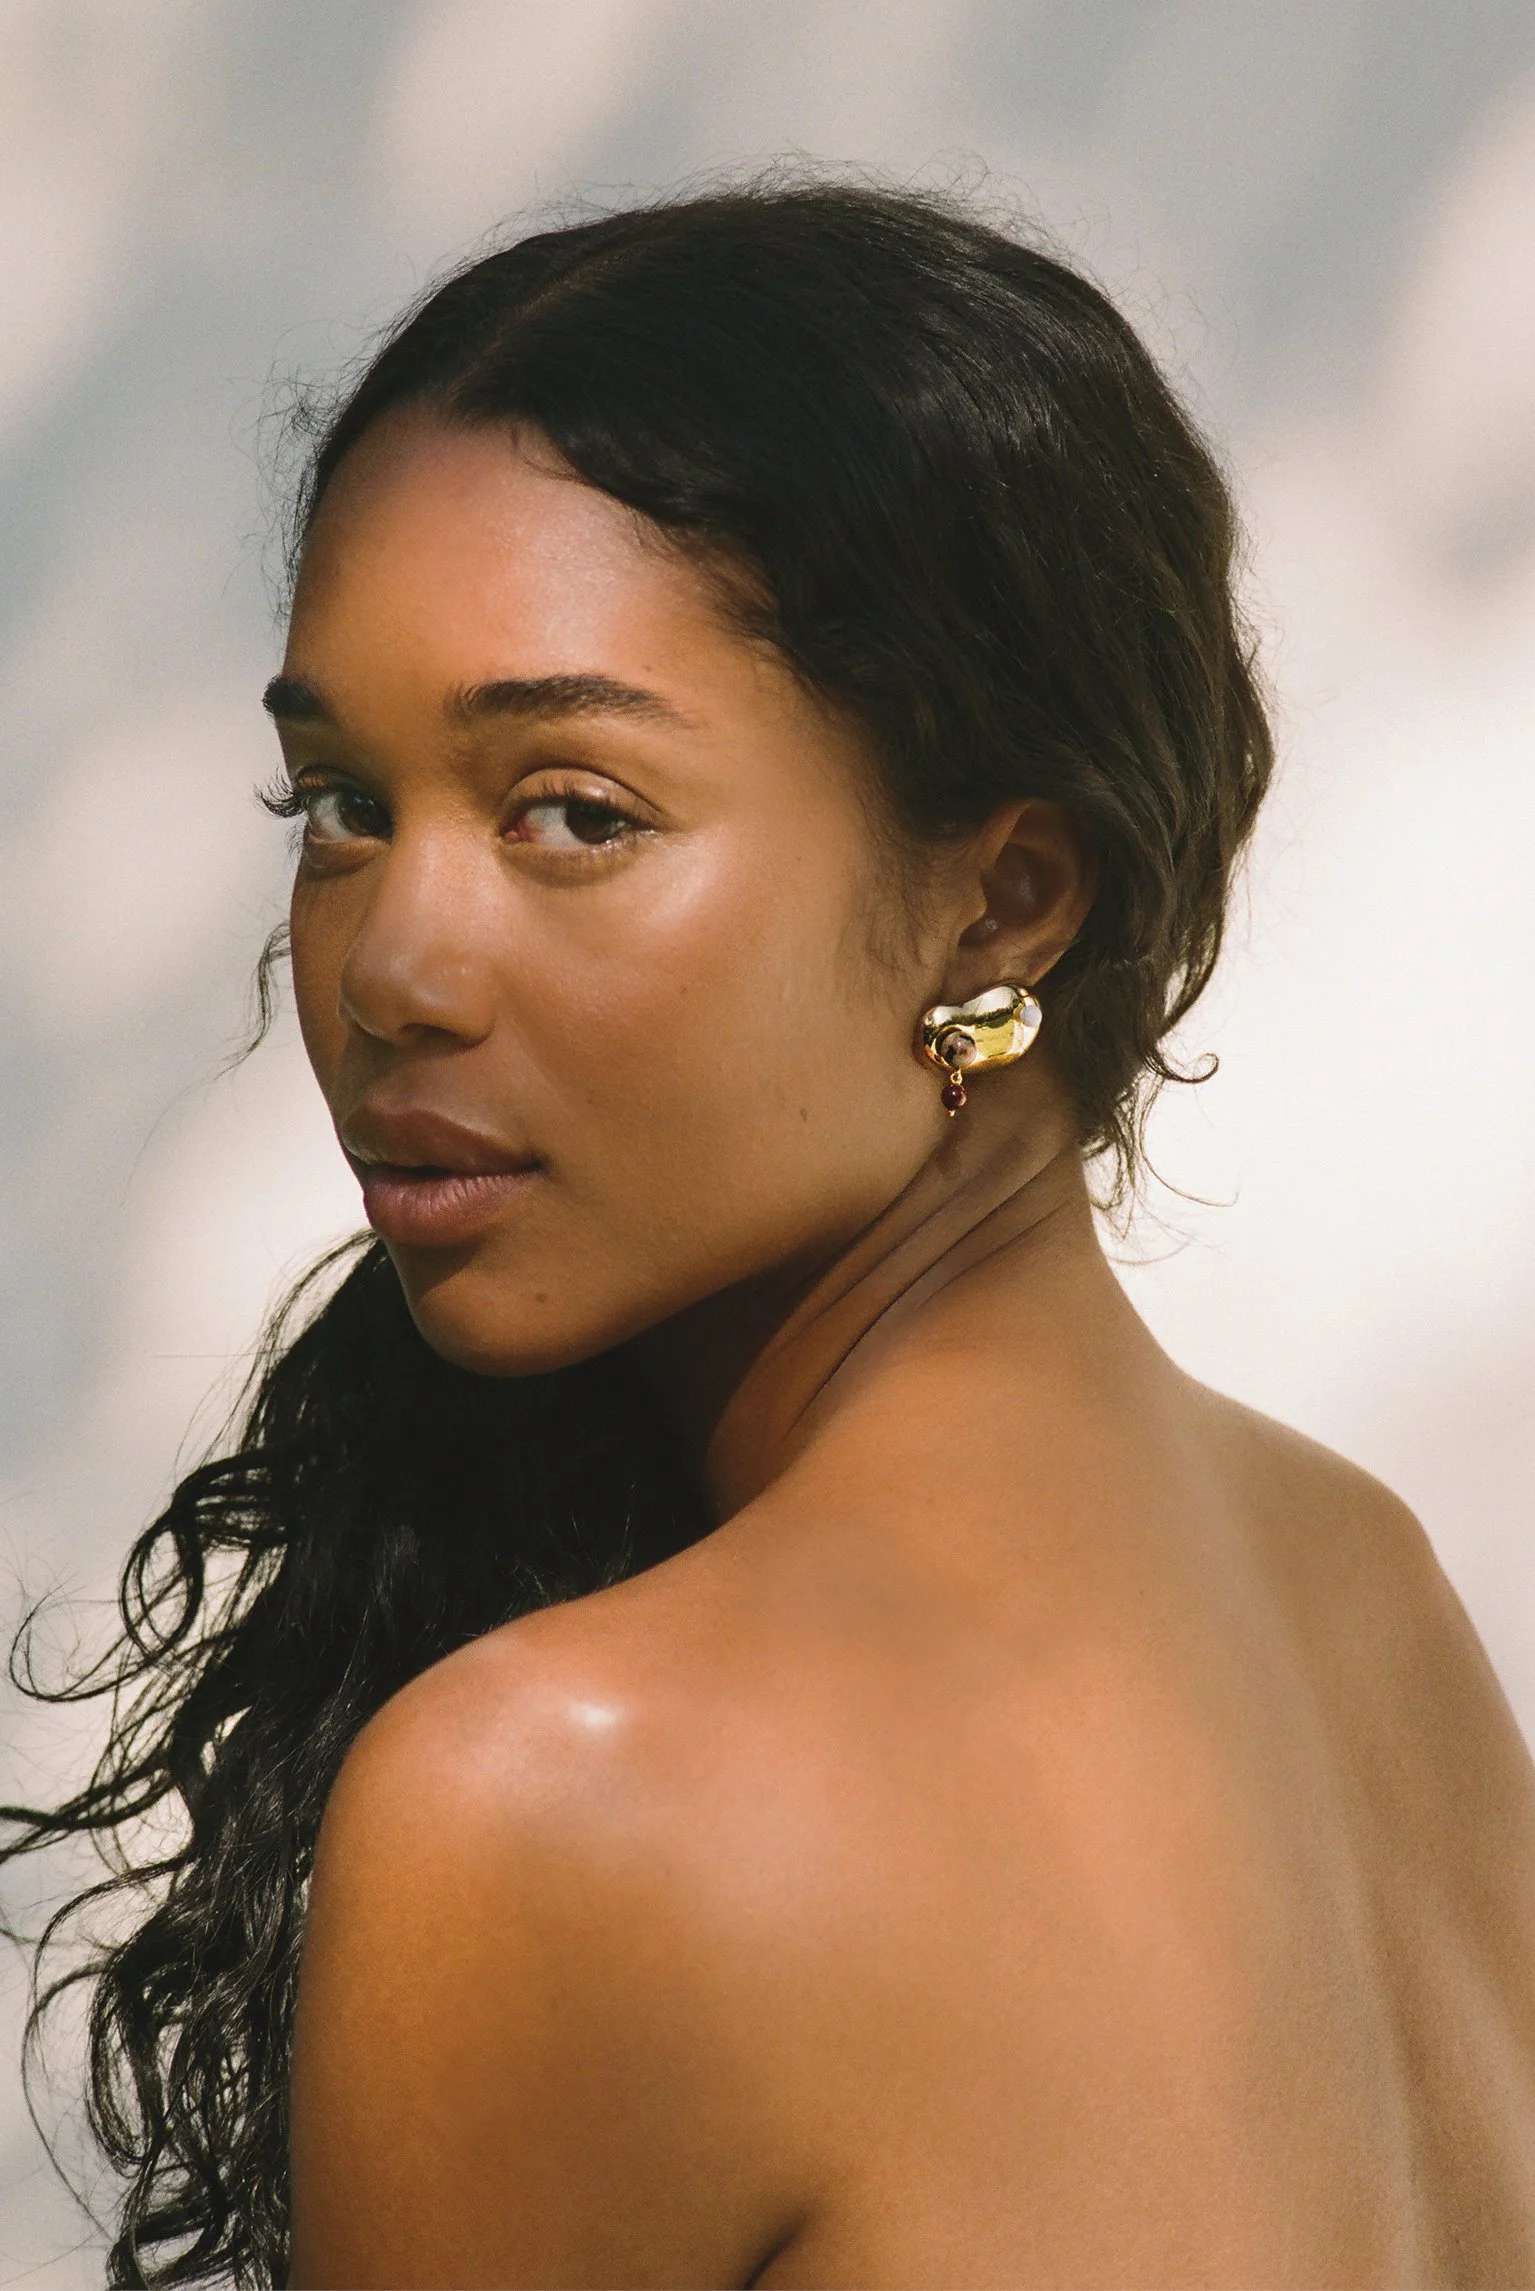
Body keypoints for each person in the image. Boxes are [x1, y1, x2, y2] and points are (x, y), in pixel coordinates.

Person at [6, 179, 1535, 2291]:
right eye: (345, 804)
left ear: (1004, 901)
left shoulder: (565, 1792)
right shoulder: (1363, 1588)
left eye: (574, 811)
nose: (394, 965)